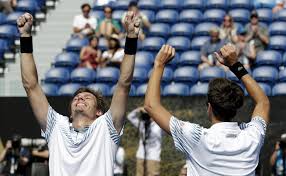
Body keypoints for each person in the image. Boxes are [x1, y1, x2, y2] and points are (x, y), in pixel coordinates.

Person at [17, 11, 140, 176]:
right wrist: (25, 36)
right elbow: (30, 85)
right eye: (77, 97)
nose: (80, 97)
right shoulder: (56, 126)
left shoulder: (106, 127)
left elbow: (124, 84)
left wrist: (131, 37)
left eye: (87, 97)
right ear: (70, 111)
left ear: (99, 112)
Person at [144, 43, 270, 175]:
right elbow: (263, 102)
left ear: (209, 107)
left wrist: (159, 64)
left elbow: (150, 105)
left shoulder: (196, 137)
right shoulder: (252, 137)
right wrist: (235, 64)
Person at [127, 107, 162, 176]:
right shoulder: (142, 124)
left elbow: (167, 121)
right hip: (141, 155)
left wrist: (155, 115)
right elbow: (130, 116)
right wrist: (139, 109)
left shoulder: (159, 126)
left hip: (153, 157)